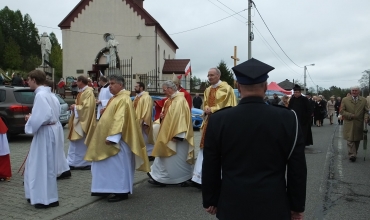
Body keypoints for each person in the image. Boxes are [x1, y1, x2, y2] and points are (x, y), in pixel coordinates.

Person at [202, 58, 307, 220]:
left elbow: (211, 163)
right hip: (273, 204)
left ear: (238, 86)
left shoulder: (219, 119)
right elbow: (297, 168)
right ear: (265, 87)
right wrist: (296, 206)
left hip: (232, 203)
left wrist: (211, 199)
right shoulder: (287, 118)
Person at [84, 74, 149, 202]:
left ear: (121, 85)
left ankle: (121, 191)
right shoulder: (116, 98)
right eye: (109, 83)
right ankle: (103, 188)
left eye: (113, 83)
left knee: (117, 167)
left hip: (117, 142)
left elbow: (120, 119)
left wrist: (113, 137)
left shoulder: (123, 99)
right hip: (107, 139)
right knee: (104, 165)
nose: (110, 86)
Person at [191, 67, 236, 188]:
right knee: (204, 148)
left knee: (219, 149)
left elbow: (229, 105)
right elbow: (205, 103)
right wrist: (206, 109)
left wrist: (213, 109)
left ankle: (219, 178)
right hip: (209, 122)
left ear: (218, 76)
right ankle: (199, 178)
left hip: (221, 122)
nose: (209, 77)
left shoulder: (227, 89)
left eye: (212, 75)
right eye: (208, 75)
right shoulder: (207, 89)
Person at [24, 70, 60, 209]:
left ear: (34, 79)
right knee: (47, 165)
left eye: (28, 79)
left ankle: (42, 199)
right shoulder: (50, 94)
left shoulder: (40, 95)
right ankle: (49, 197)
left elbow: (41, 117)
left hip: (44, 132)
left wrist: (30, 119)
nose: (27, 82)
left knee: (40, 166)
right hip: (50, 130)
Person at [147, 80, 194, 186]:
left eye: (164, 90)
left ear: (170, 89)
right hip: (167, 133)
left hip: (176, 135)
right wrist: (162, 118)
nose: (164, 92)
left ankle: (183, 177)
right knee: (163, 156)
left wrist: (178, 136)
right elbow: (166, 115)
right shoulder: (170, 100)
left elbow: (181, 119)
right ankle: (159, 177)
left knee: (176, 159)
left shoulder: (179, 101)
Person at [66, 76, 96, 170]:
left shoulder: (88, 92)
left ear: (81, 82)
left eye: (77, 82)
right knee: (75, 141)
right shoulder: (82, 92)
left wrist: (76, 107)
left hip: (82, 120)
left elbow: (88, 107)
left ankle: (83, 163)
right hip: (78, 119)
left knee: (80, 142)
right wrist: (75, 107)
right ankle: (73, 162)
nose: (76, 84)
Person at [45, 80, 71, 180]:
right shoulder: (54, 97)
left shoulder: (47, 97)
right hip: (57, 126)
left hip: (51, 126)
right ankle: (63, 169)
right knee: (58, 149)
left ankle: (58, 170)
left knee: (54, 150)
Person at [340, 86, 368, 162]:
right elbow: (342, 111)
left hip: (359, 123)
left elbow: (366, 111)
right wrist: (350, 115)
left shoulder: (363, 100)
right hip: (349, 122)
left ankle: (354, 152)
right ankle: (352, 155)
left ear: (359, 91)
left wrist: (366, 117)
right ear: (351, 91)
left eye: (356, 90)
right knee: (350, 139)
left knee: (357, 139)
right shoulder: (345, 100)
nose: (354, 92)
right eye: (353, 90)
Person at [133, 82, 155, 159]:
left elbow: (148, 110)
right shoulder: (137, 97)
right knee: (139, 137)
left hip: (143, 121)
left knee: (146, 137)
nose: (134, 88)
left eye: (136, 86)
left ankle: (150, 154)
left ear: (141, 88)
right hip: (136, 121)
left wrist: (146, 122)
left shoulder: (147, 97)